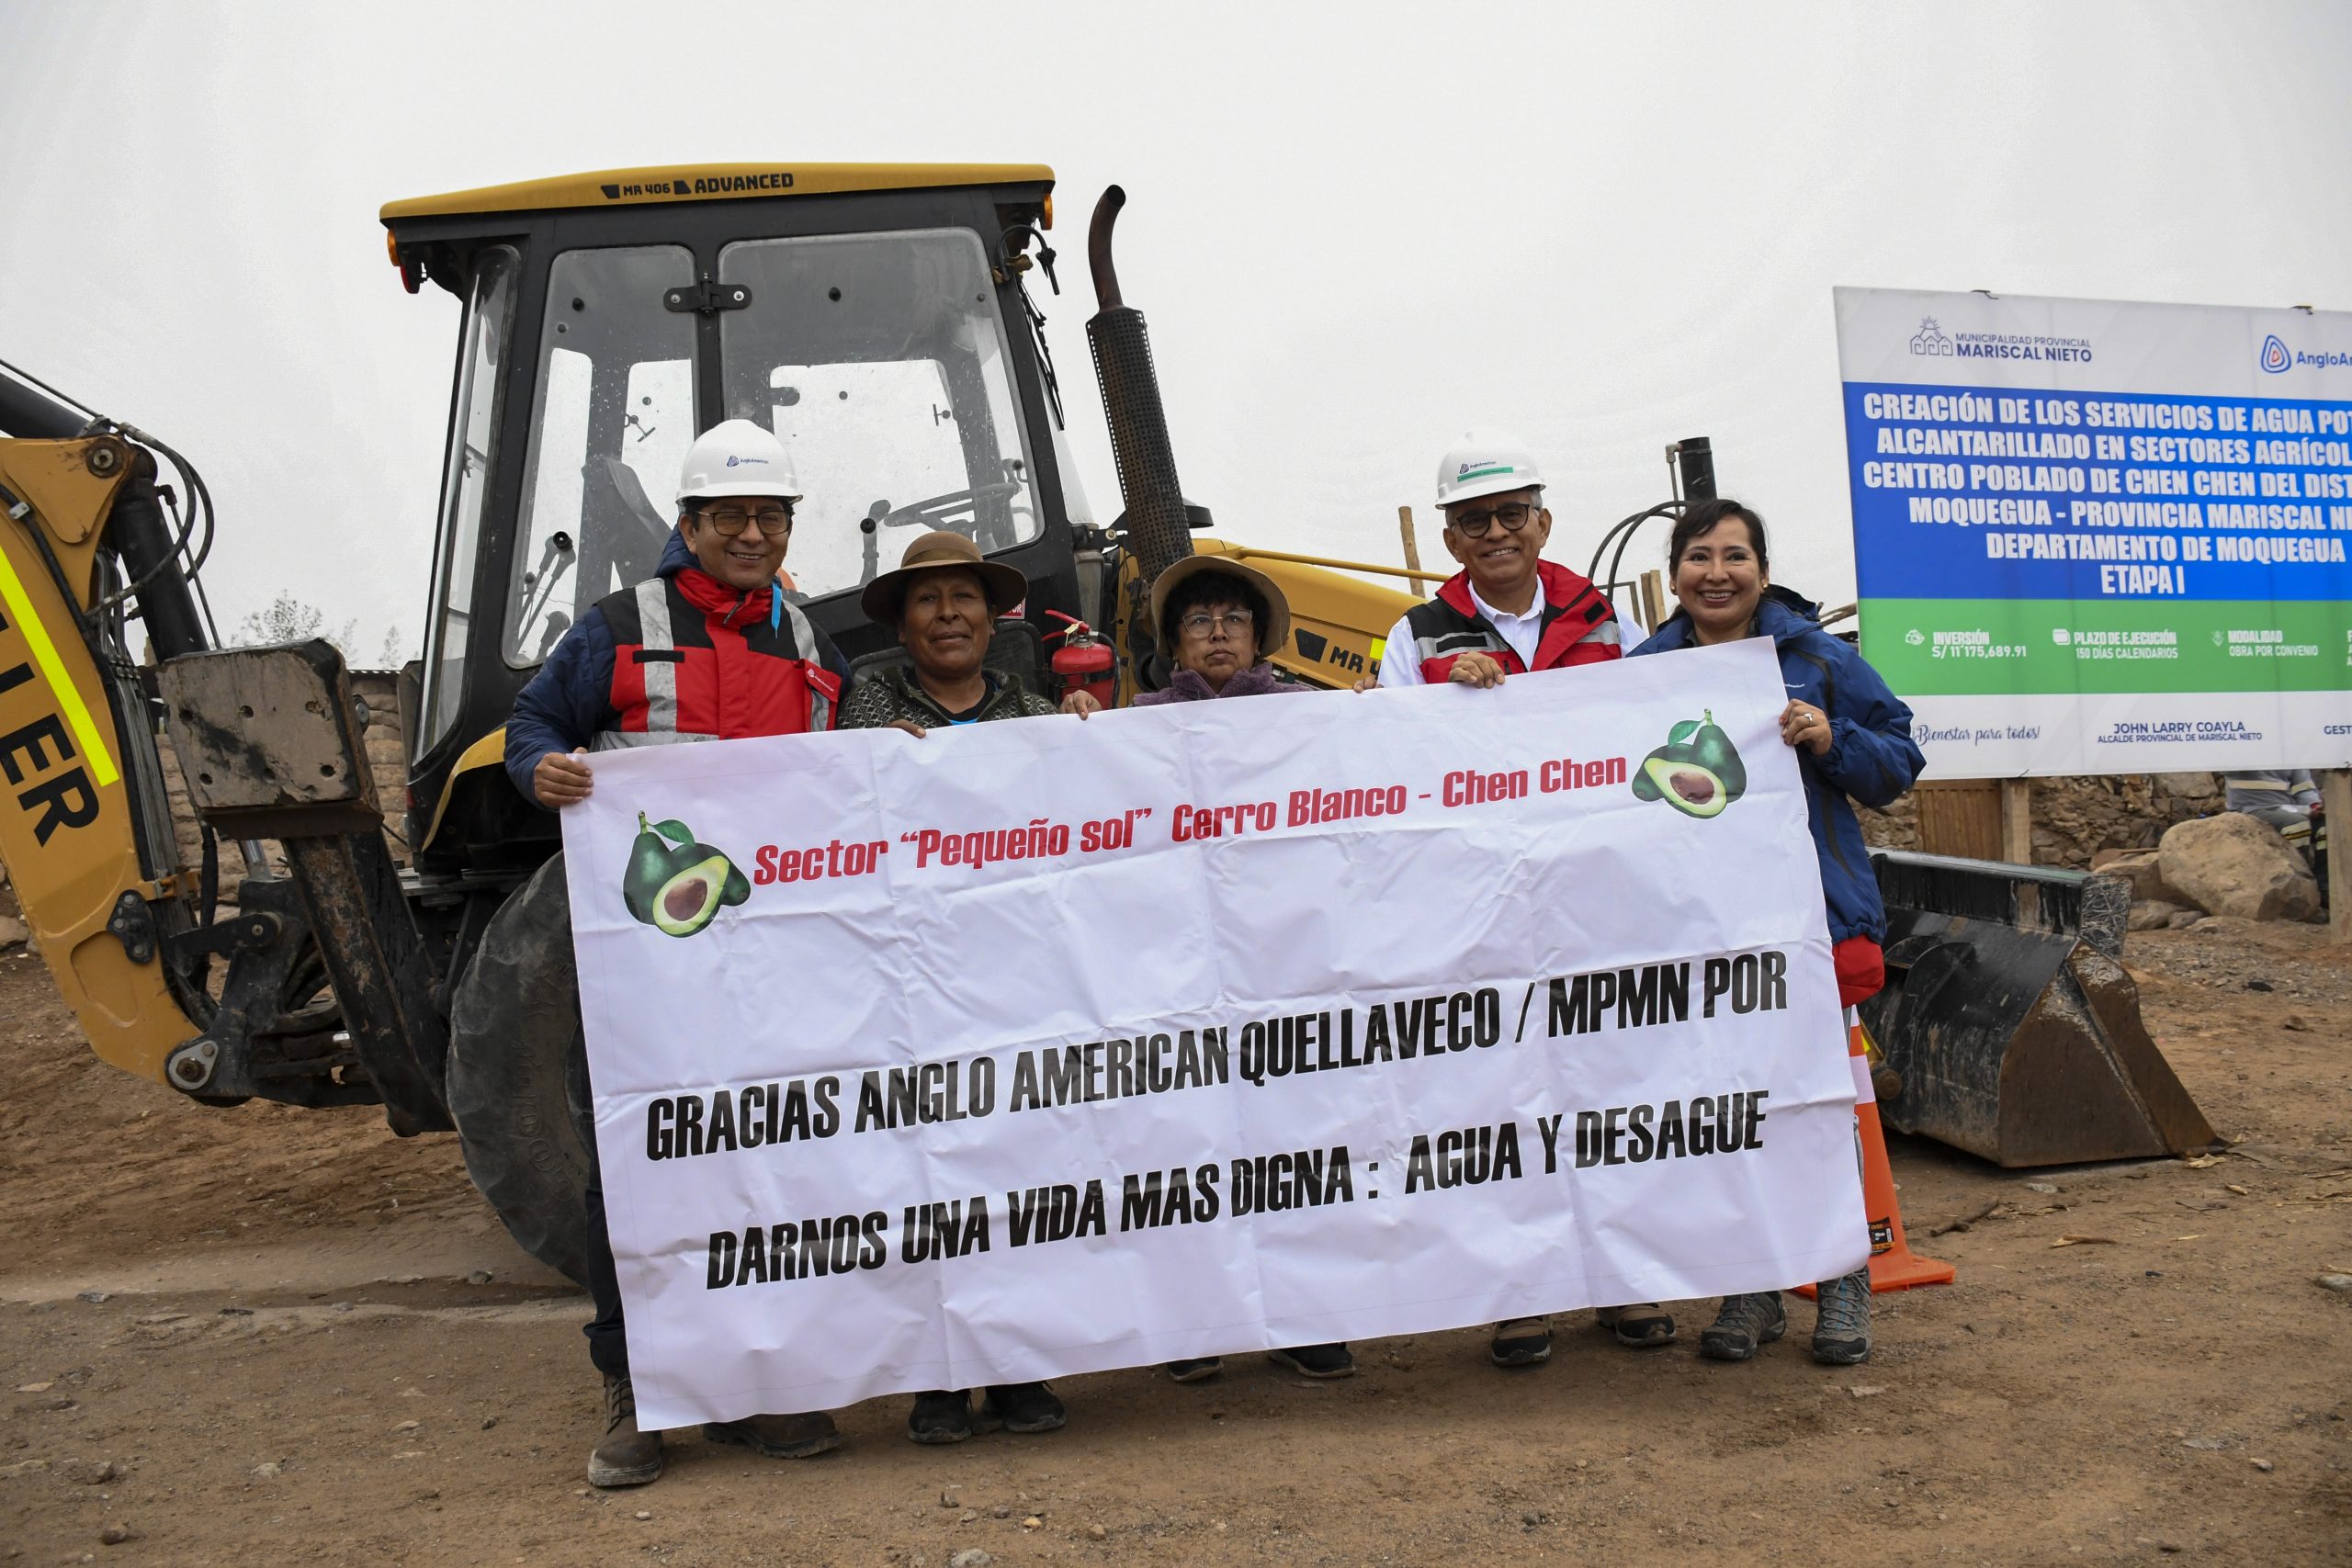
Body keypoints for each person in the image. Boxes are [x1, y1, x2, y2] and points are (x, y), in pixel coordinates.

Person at [503, 418, 852, 1488]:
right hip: (647, 959)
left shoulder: (811, 643)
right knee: (642, 1162)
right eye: (731, 516)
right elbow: (532, 725)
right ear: (690, 524)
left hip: (771, 955)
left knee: (767, 1156)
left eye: (771, 516)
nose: (752, 533)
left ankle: (751, 1385)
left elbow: (850, 777)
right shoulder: (615, 627)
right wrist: (542, 770)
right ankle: (636, 1391)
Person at [1373, 430, 1673, 1367]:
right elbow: (1387, 765)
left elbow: (1645, 747)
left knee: (1609, 1088)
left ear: (1543, 521)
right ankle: (1523, 1296)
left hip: (1593, 899)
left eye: (1511, 514)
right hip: (1482, 911)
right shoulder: (1413, 640)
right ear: (1449, 539)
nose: (1496, 532)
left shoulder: (1609, 628)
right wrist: (1440, 708)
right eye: (1473, 520)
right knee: (1500, 1098)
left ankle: (1624, 1281)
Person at [1627, 497, 1926, 1367]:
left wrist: (1833, 739)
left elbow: (1899, 760)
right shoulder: (1641, 672)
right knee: (1729, 1109)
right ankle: (1751, 1288)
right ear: (1675, 572)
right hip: (1698, 931)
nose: (1715, 573)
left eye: (1734, 556)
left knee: (1823, 1105)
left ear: (1762, 568)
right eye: (1697, 557)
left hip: (1808, 921)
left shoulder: (1817, 658)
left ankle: (1843, 1282)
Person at [837, 528, 1092, 1441]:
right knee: (921, 1179)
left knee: (1021, 1174)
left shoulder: (1036, 717)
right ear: (902, 625)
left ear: (993, 618)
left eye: (964, 599)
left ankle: (1020, 1368)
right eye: (926, 601)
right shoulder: (861, 715)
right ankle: (937, 1380)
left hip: (1013, 990)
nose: (948, 616)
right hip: (904, 995)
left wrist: (1092, 750)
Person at [1132, 556, 1355, 1383]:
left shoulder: (1310, 713)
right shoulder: (1140, 721)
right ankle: (1197, 1319)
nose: (1217, 632)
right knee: (1190, 1136)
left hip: (1286, 957)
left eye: (1232, 618)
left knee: (1296, 1133)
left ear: (1260, 636)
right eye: (1199, 621)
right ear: (1174, 643)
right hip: (1181, 962)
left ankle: (1307, 1314)